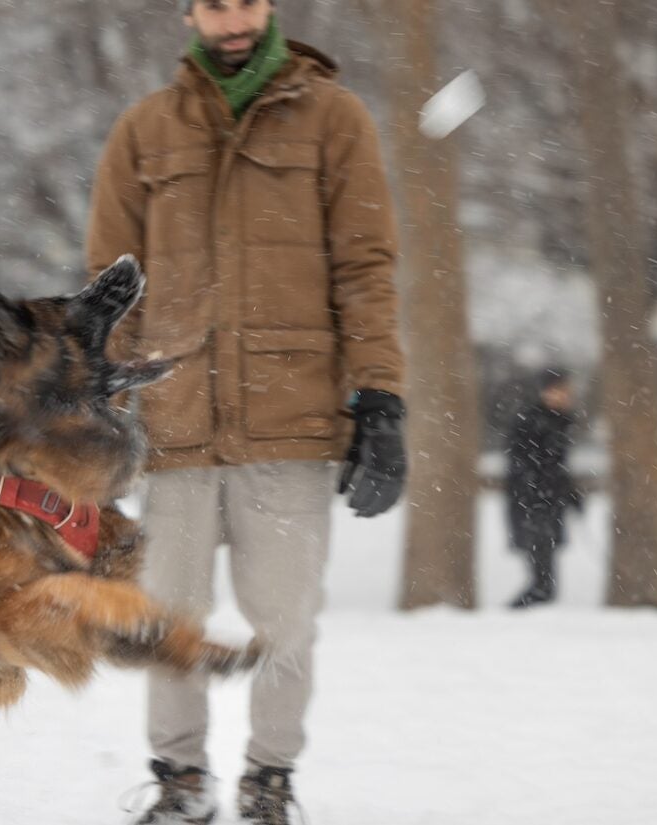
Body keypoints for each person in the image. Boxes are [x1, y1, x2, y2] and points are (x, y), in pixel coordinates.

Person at [85, 0, 406, 821]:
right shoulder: (144, 133)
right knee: (166, 621)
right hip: (174, 421)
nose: (236, 21)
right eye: (218, 5)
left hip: (289, 420)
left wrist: (382, 399)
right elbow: (108, 292)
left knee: (285, 622)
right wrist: (99, 406)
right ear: (190, 14)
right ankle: (181, 782)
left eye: (250, 2)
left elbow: (365, 269)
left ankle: (269, 780)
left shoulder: (335, 120)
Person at [504, 368, 584, 608]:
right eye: (557, 391)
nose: (563, 396)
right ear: (545, 392)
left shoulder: (561, 422)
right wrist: (538, 492)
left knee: (545, 577)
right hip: (532, 504)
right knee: (542, 582)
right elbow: (523, 465)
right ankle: (514, 620)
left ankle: (529, 618)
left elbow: (558, 467)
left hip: (548, 504)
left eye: (566, 391)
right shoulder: (531, 421)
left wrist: (570, 494)